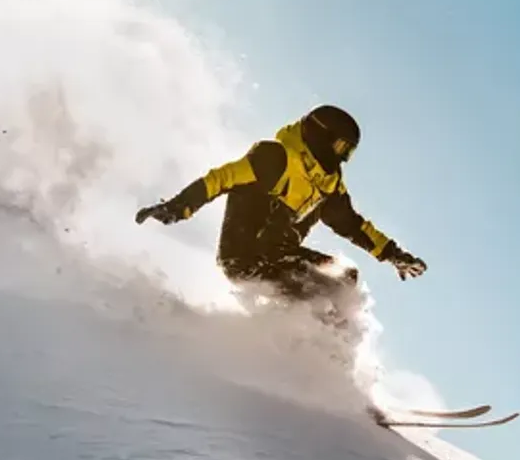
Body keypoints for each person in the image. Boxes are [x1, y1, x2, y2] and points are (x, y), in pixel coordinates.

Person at [134, 104, 426, 311]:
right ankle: (300, 348)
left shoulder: (328, 184)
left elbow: (352, 225)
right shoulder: (275, 157)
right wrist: (178, 207)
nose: (343, 157)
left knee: (345, 276)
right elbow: (222, 178)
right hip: (246, 257)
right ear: (319, 135)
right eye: (339, 147)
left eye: (348, 151)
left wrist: (394, 256)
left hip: (282, 255)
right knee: (322, 289)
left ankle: (325, 350)